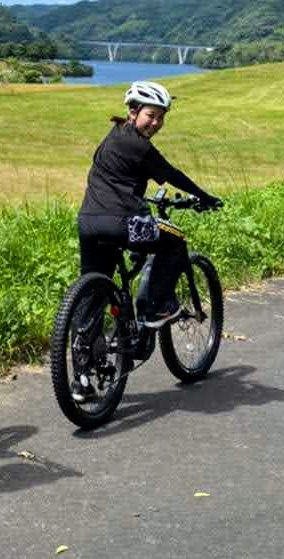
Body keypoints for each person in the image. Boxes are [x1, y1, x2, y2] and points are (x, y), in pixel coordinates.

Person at [73, 80, 221, 399]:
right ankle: (157, 307)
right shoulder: (137, 144)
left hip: (88, 223)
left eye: (161, 117)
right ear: (133, 111)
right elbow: (171, 174)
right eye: (151, 115)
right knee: (174, 241)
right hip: (123, 223)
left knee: (93, 293)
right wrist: (204, 196)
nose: (156, 123)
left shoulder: (112, 138)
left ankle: (82, 379)